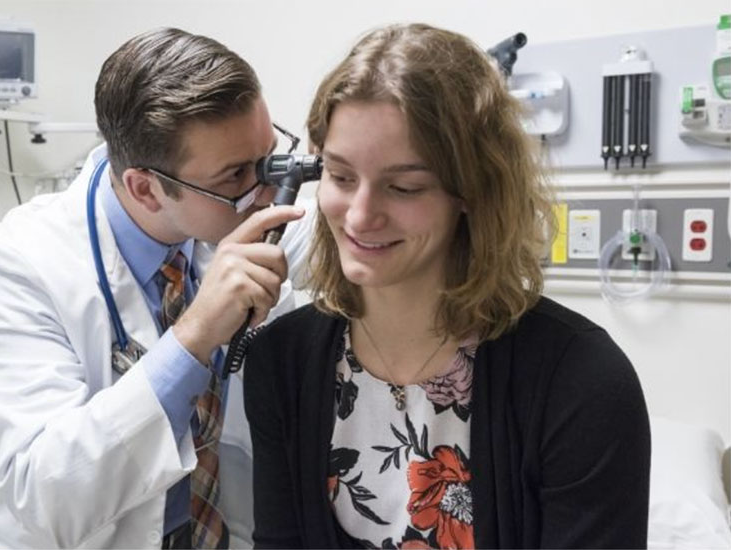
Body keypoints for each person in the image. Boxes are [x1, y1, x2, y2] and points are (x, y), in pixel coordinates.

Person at [244, 23, 650, 549]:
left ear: (470, 190)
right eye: (341, 178)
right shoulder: (283, 362)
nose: (361, 215)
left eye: (404, 187)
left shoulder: (581, 383)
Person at [0, 28, 314, 549]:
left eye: (268, 157)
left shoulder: (242, 217)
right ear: (146, 189)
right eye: (237, 175)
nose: (266, 190)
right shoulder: (18, 261)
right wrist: (192, 338)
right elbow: (44, 497)